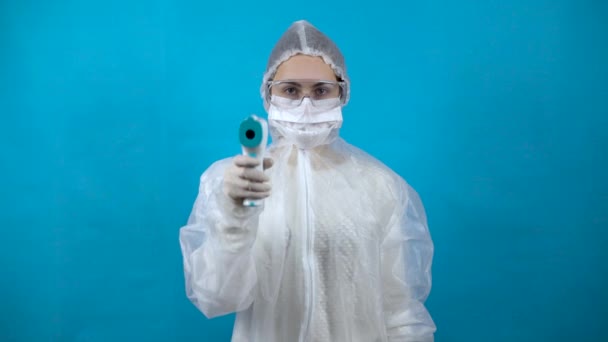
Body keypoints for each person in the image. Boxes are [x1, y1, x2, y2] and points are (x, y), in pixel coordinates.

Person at [179, 20, 436, 342]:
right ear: (267, 93)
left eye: (321, 91)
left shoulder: (380, 186)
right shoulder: (231, 181)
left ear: (342, 94)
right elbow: (216, 298)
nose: (305, 104)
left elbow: (402, 310)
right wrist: (233, 220)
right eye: (290, 90)